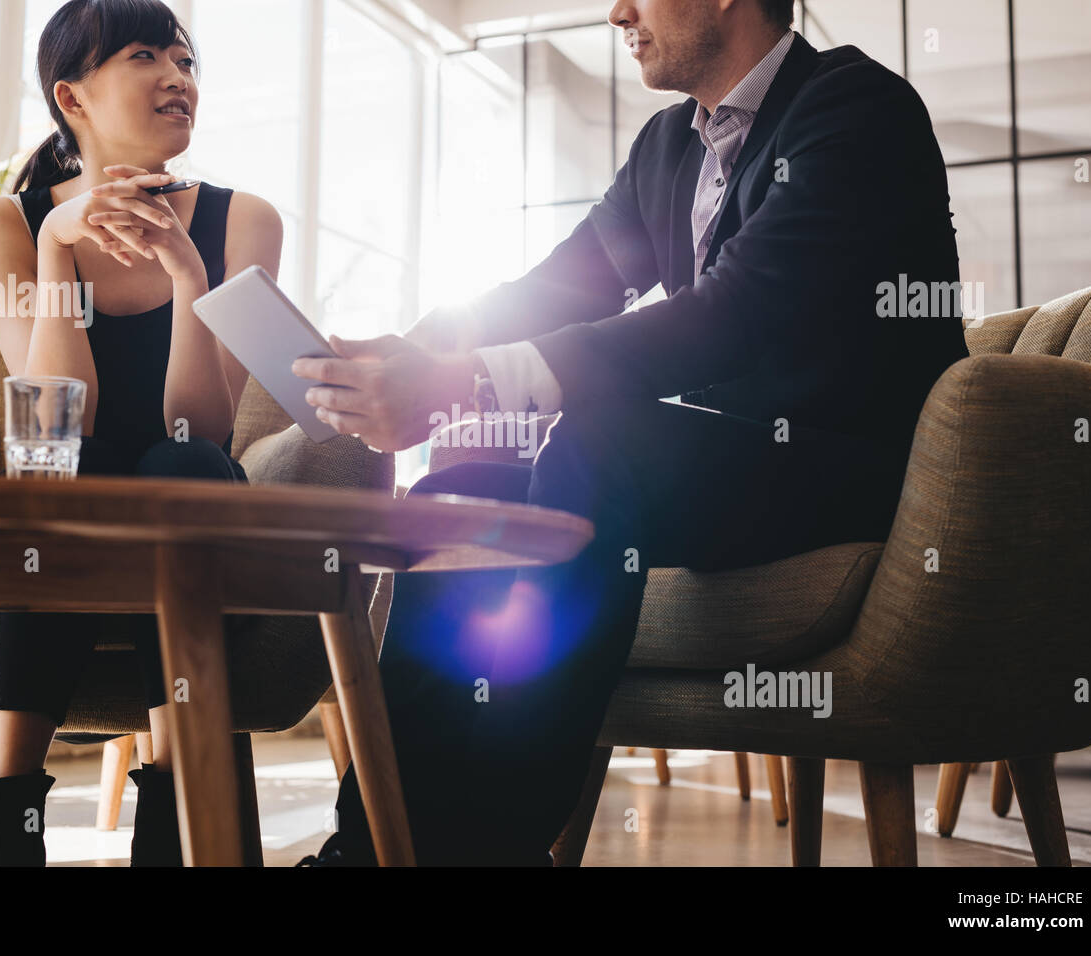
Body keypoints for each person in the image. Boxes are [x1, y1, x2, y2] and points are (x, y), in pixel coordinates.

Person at [295, 0, 970, 865]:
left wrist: (463, 382)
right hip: (724, 470)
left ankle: (493, 845)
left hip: (852, 470)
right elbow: (562, 284)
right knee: (451, 501)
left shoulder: (856, 109)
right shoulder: (667, 146)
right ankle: (375, 845)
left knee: (602, 440)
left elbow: (734, 316)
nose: (617, 11)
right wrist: (418, 351)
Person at [0, 0, 284, 866]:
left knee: (176, 461)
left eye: (186, 61)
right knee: (63, 468)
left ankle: (175, 819)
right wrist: (58, 252)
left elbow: (203, 426)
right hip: (69, 497)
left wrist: (188, 271)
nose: (178, 78)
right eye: (147, 56)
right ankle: (8, 830)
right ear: (73, 97)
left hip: (198, 503)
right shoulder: (8, 224)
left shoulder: (241, 219)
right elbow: (52, 428)